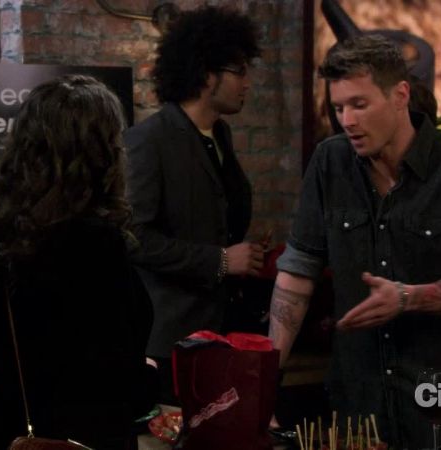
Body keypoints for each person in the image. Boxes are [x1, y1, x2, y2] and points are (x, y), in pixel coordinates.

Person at [268, 35, 441, 449]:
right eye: (338, 108)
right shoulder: (330, 163)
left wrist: (407, 298)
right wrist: (266, 378)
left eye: (359, 105)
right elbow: (298, 272)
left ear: (400, 96)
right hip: (360, 400)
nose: (347, 120)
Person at [0, 74, 156, 450]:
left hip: (2, 433)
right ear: (102, 154)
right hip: (79, 438)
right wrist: (148, 374)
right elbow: (120, 387)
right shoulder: (99, 243)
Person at [124, 5, 264, 404]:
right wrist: (220, 260)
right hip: (169, 342)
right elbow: (133, 237)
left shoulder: (221, 135)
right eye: (239, 71)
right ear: (206, 75)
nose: (247, 82)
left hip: (221, 334)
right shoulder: (149, 140)